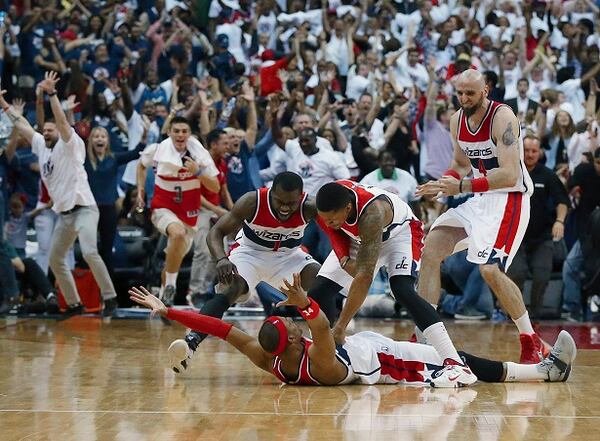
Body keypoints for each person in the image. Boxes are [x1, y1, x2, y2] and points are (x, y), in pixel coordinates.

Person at [129, 276, 576, 387]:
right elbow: (322, 323)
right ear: (291, 338)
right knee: (455, 361)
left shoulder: (267, 357)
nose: (288, 319)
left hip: (369, 348)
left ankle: (539, 371)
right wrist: (304, 300)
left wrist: (167, 309)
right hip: (388, 364)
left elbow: (220, 327)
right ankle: (542, 374)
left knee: (454, 355)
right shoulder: (318, 360)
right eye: (288, 322)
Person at [415, 69, 547, 364]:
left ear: (485, 90)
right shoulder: (456, 120)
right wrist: (444, 180)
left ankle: (530, 340)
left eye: (470, 93)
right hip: (479, 198)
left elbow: (510, 173)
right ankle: (425, 335)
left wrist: (460, 185)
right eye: (460, 93)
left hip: (509, 199)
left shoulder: (503, 117)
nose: (464, 99)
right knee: (431, 249)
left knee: (490, 270)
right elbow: (460, 163)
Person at [313, 179, 476, 387]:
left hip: (400, 235)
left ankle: (455, 363)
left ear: (348, 208)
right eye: (324, 218)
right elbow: (329, 228)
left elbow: (364, 277)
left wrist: (341, 326)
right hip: (361, 239)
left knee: (402, 290)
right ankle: (325, 352)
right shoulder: (328, 202)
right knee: (319, 291)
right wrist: (344, 257)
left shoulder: (372, 214)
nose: (327, 223)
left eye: (331, 219)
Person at [167, 172, 321, 373]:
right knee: (230, 287)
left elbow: (336, 230)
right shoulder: (252, 201)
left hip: (287, 256)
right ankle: (191, 342)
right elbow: (216, 232)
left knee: (320, 279)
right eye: (280, 201)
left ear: (301, 197)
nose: (285, 207)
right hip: (249, 254)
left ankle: (329, 345)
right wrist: (221, 259)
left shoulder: (310, 206)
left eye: (291, 203)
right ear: (271, 192)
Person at [1, 71, 118, 318]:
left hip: (85, 208)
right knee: (55, 259)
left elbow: (64, 124)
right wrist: (3, 105)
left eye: (51, 129)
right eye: (44, 129)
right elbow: (22, 125)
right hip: (64, 215)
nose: (47, 131)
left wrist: (52, 94)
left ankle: (110, 298)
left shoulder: (71, 144)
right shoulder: (41, 147)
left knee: (89, 251)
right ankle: (74, 304)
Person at [136, 116, 220, 305]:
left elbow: (215, 187)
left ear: (190, 134)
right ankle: (171, 286)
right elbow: (141, 165)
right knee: (177, 233)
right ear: (169, 133)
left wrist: (198, 173)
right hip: (162, 208)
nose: (180, 135)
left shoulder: (199, 155)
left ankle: (165, 300)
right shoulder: (156, 150)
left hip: (189, 214)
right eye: (176, 131)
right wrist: (140, 190)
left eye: (184, 131)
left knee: (173, 260)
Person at [507, 134, 569, 319]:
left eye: (534, 151)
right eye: (526, 150)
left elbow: (562, 201)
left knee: (542, 274)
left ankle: (533, 313)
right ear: (520, 151)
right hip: (515, 235)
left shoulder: (548, 175)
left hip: (542, 237)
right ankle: (514, 313)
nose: (530, 154)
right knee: (516, 273)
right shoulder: (511, 173)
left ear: (540, 152)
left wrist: (560, 221)